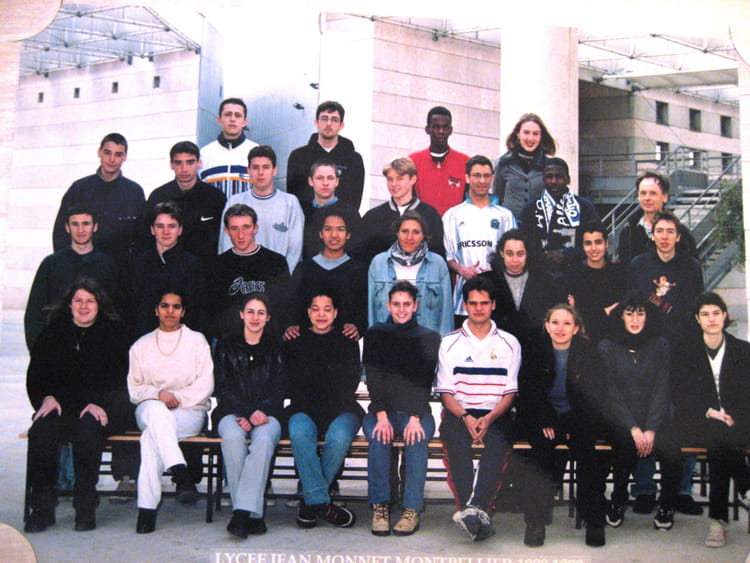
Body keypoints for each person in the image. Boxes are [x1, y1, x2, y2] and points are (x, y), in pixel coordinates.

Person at [25, 278, 131, 533]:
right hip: (60, 405)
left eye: (90, 301)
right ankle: (42, 506)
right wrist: (46, 397)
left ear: (99, 304)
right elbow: (35, 375)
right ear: (69, 305)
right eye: (78, 301)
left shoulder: (114, 334)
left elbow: (122, 378)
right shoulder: (52, 332)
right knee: (41, 431)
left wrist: (101, 403)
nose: (84, 306)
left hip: (99, 407)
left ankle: (85, 504)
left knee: (87, 431)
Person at [626, 210, 705, 516]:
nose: (664, 236)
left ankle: (681, 490)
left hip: (682, 354)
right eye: (659, 231)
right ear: (653, 234)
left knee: (682, 420)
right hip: (646, 352)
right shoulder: (639, 264)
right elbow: (633, 307)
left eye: (670, 231)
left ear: (678, 236)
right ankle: (644, 488)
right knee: (647, 417)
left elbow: (696, 309)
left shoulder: (691, 267)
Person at [514, 304, 608, 548]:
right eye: (555, 322)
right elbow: (528, 392)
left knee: (589, 458)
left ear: (576, 328)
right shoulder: (535, 350)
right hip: (543, 417)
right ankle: (535, 520)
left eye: (567, 323)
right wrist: (545, 419)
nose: (560, 328)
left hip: (578, 416)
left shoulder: (589, 353)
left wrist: (572, 422)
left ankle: (593, 519)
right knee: (540, 455)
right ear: (547, 326)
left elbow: (596, 395)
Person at [435, 277, 520, 542]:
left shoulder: (509, 342)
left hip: (497, 412)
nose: (479, 308)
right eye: (473, 303)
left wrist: (490, 417)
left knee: (498, 445)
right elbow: (446, 393)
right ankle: (473, 511)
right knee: (455, 444)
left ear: (493, 305)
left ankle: (474, 509)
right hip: (460, 412)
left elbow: (510, 393)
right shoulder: (449, 342)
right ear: (465, 305)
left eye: (484, 303)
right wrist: (466, 417)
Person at [127, 290, 214, 533]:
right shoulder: (141, 345)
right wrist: (159, 395)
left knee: (151, 437)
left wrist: (176, 398)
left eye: (176, 307)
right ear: (156, 310)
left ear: (183, 311)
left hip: (189, 411)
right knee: (156, 412)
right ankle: (180, 471)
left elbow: (206, 385)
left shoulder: (196, 341)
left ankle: (147, 510)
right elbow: (134, 390)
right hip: (150, 409)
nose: (170, 311)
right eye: (164, 306)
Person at [671, 292, 750, 548]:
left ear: (725, 316)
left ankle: (718, 521)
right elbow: (680, 394)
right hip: (700, 420)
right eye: (705, 314)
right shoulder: (686, 351)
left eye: (716, 313)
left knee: (719, 444)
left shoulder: (743, 350)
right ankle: (746, 488)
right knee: (718, 438)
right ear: (697, 319)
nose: (711, 319)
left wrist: (735, 418)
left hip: (738, 422)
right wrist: (709, 412)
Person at [598, 293, 682, 532]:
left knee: (672, 448)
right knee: (623, 444)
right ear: (621, 317)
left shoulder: (660, 345)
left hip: (655, 416)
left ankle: (666, 505)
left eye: (640, 314)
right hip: (621, 418)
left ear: (648, 316)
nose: (635, 320)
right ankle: (618, 499)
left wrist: (651, 429)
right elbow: (611, 393)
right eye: (629, 314)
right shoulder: (607, 346)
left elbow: (662, 388)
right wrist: (633, 428)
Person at [363, 281, 441, 536]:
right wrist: (382, 417)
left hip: (416, 412)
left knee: (416, 438)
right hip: (381, 411)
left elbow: (424, 382)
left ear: (415, 306)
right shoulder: (375, 334)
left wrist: (415, 417)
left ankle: (411, 509)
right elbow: (374, 380)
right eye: (396, 304)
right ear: (388, 305)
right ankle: (380, 506)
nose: (401, 309)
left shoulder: (429, 337)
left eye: (406, 304)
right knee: (379, 435)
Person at [284, 291, 363, 529]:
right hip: (304, 407)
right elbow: (292, 382)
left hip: (341, 408)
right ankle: (319, 502)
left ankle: (310, 503)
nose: (321, 314)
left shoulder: (347, 340)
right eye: (316, 309)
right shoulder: (295, 339)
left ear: (336, 313)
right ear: (308, 312)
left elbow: (349, 382)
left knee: (339, 436)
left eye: (327, 309)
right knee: (299, 432)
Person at [213, 293, 285, 538]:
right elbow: (222, 387)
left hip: (268, 414)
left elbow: (280, 388)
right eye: (251, 311)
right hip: (231, 412)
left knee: (263, 440)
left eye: (261, 313)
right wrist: (246, 412)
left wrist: (259, 412)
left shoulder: (276, 346)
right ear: (241, 314)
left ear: (268, 318)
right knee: (233, 438)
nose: (255, 317)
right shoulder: (226, 345)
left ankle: (241, 515)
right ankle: (252, 514)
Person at [25, 205, 118, 350]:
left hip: (97, 346)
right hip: (57, 345)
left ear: (95, 227)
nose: (80, 230)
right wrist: (38, 350)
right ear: (67, 228)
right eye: (75, 224)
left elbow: (116, 310)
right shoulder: (51, 264)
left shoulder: (107, 265)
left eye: (86, 224)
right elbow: (34, 312)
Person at [52, 132, 145, 267]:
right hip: (83, 269)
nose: (112, 159)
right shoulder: (79, 189)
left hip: (121, 271)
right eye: (107, 153)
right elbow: (60, 232)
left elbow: (142, 237)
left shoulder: (134, 192)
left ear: (125, 157)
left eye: (118, 154)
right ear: (99, 152)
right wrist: (67, 266)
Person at [443, 155, 516, 324]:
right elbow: (447, 256)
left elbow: (513, 254)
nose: (482, 181)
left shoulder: (505, 216)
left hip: (496, 300)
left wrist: (495, 272)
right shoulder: (452, 215)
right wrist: (462, 270)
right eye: (477, 175)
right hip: (463, 302)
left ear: (492, 178)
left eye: (486, 176)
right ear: (467, 178)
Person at [207, 204, 290, 340]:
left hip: (268, 340)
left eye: (246, 227)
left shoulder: (276, 262)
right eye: (234, 228)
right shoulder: (217, 265)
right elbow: (212, 311)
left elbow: (284, 307)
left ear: (255, 228)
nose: (240, 235)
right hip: (230, 341)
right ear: (227, 231)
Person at [218, 145, 304, 273]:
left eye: (266, 167)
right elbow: (225, 244)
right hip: (241, 277)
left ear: (275, 170)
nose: (260, 173)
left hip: (278, 277)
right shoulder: (235, 202)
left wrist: (283, 277)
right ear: (248, 171)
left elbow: (295, 249)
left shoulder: (290, 203)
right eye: (255, 167)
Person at [287, 211, 367, 341]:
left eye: (340, 229)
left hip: (344, 343)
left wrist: (358, 327)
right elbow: (291, 306)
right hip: (306, 342)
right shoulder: (304, 268)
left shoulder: (358, 270)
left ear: (348, 235)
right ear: (320, 234)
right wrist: (290, 326)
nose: (334, 235)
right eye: (328, 229)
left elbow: (364, 308)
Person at [128, 202, 205, 338]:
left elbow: (197, 310)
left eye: (172, 226)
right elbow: (132, 307)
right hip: (145, 338)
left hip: (181, 339)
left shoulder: (192, 265)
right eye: (160, 226)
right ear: (152, 229)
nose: (166, 232)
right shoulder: (138, 263)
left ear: (180, 230)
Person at [368, 211, 452, 336]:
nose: (409, 237)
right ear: (397, 233)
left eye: (416, 232)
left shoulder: (437, 264)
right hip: (387, 340)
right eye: (404, 231)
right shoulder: (378, 263)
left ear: (423, 235)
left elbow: (446, 312)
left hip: (426, 342)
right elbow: (371, 310)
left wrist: (444, 343)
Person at [479, 229, 565, 346]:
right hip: (496, 348)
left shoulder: (546, 282)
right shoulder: (486, 281)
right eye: (509, 254)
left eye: (520, 254)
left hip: (535, 348)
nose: (515, 260)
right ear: (501, 253)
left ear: (527, 254)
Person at [145, 141, 226, 265]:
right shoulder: (158, 197)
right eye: (178, 163)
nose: (184, 169)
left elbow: (224, 238)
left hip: (206, 269)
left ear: (199, 163)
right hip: (168, 269)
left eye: (190, 162)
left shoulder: (215, 197)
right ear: (171, 164)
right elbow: (146, 237)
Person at [519, 157, 600, 276]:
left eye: (559, 176)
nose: (554, 181)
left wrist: (566, 256)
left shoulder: (585, 207)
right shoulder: (530, 209)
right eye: (549, 176)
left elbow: (597, 243)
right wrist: (543, 257)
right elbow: (522, 245)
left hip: (577, 275)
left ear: (568, 179)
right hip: (539, 277)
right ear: (543, 179)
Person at [358, 157, 444, 264]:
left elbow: (438, 255)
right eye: (390, 179)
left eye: (400, 179)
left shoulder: (430, 215)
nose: (394, 184)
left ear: (413, 179)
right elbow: (362, 256)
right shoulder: (373, 216)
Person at [286, 100, 365, 209]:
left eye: (334, 120)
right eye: (324, 118)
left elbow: (354, 200)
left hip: (341, 218)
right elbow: (294, 197)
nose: (329, 124)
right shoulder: (298, 157)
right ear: (316, 123)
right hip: (307, 218)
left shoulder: (353, 159)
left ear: (341, 125)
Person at [563, 221, 626, 343]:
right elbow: (576, 318)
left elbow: (620, 313)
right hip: (584, 342)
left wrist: (592, 314)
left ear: (606, 243)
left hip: (615, 341)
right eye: (588, 243)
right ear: (582, 246)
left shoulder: (619, 274)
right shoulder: (573, 276)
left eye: (598, 242)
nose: (593, 248)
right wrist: (605, 312)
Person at [617, 171, 697, 265]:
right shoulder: (628, 232)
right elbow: (624, 268)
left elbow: (692, 269)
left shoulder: (682, 233)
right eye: (643, 193)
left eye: (653, 193)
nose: (647, 198)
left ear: (665, 196)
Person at [492, 112, 556, 219]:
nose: (530, 138)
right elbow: (497, 197)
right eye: (526, 133)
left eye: (535, 134)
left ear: (541, 136)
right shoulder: (504, 163)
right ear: (518, 134)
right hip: (510, 224)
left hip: (538, 225)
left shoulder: (550, 166)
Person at [409, 106, 470, 216]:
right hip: (422, 224)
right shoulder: (413, 161)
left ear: (450, 130)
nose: (441, 131)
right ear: (427, 129)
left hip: (454, 224)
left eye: (445, 127)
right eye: (436, 127)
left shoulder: (465, 162)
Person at [301, 159, 362, 260]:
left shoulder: (350, 213)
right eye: (319, 178)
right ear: (311, 181)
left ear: (337, 181)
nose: (325, 183)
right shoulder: (302, 211)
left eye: (330, 178)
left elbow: (357, 251)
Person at [199, 97, 258, 198]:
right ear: (219, 120)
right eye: (228, 114)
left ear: (245, 122)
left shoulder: (256, 152)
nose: (232, 119)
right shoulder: (204, 154)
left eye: (238, 115)